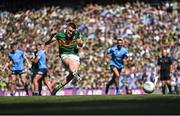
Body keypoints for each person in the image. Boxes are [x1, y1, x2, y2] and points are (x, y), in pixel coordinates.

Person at [45, 22, 86, 95]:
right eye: (69, 31)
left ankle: (57, 88)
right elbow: (47, 43)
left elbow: (81, 44)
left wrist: (79, 41)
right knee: (70, 63)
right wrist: (51, 36)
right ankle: (76, 74)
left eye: (72, 32)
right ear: (66, 28)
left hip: (75, 55)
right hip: (64, 55)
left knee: (72, 74)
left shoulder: (76, 34)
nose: (70, 33)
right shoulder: (59, 34)